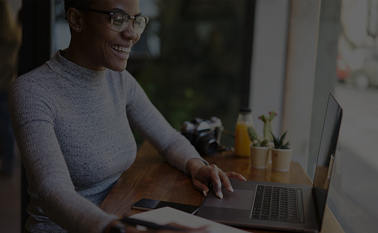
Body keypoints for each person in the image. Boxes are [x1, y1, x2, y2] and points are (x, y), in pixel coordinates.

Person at [7, 0, 246, 232]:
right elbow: (53, 191)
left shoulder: (119, 81)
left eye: (137, 20)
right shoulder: (33, 91)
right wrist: (116, 228)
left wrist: (197, 167)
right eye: (118, 19)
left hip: (120, 216)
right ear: (76, 19)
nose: (132, 34)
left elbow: (168, 139)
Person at [0, 0, 21, 176]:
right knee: (7, 129)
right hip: (8, 85)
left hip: (4, 86)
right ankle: (8, 165)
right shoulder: (14, 35)